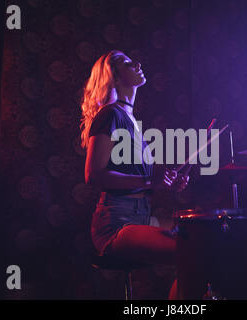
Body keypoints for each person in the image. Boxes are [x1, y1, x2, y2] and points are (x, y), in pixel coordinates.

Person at [80, 50, 189, 299]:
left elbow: (139, 182)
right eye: (127, 62)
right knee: (191, 251)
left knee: (203, 240)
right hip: (116, 224)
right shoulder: (110, 114)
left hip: (139, 218)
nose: (137, 63)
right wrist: (151, 181)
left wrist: (167, 184)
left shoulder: (129, 119)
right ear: (114, 77)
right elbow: (93, 175)